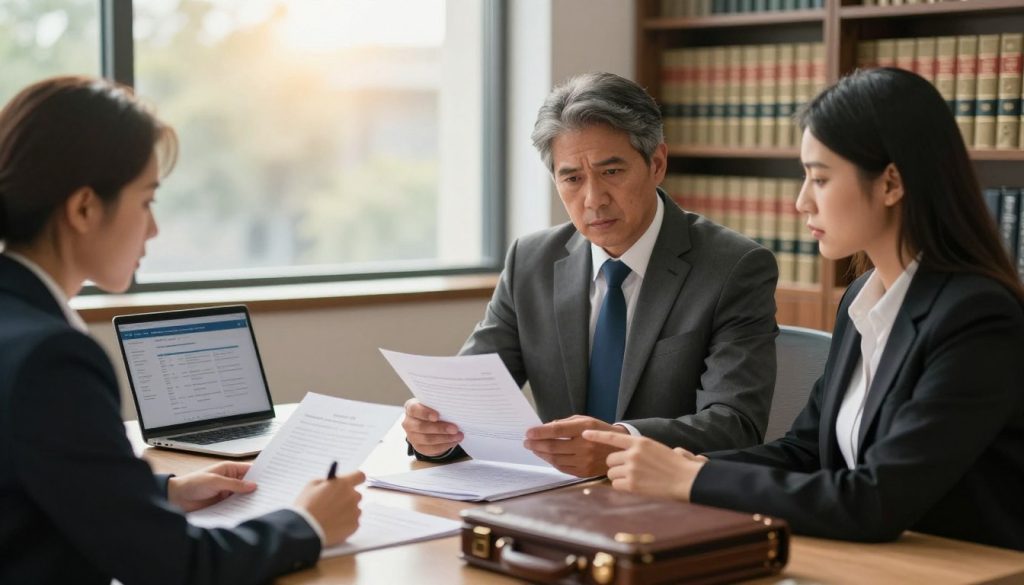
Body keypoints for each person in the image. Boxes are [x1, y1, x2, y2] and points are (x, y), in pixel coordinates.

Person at [584, 67, 1024, 551]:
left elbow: (874, 502)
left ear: (891, 183)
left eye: (819, 178)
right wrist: (692, 468)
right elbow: (806, 450)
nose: (801, 202)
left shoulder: (978, 318)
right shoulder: (863, 298)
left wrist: (689, 483)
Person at [0, 76, 364, 584]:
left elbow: (31, 489)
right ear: (84, 208)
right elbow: (175, 567)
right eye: (147, 201)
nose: (154, 229)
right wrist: (307, 524)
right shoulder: (52, 358)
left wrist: (162, 492)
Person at [403, 72, 779, 478]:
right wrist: (432, 433)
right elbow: (466, 398)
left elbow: (735, 423)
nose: (593, 199)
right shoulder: (531, 261)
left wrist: (620, 442)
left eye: (611, 172)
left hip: (670, 499)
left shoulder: (733, 267)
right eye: (572, 178)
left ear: (656, 164)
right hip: (557, 495)